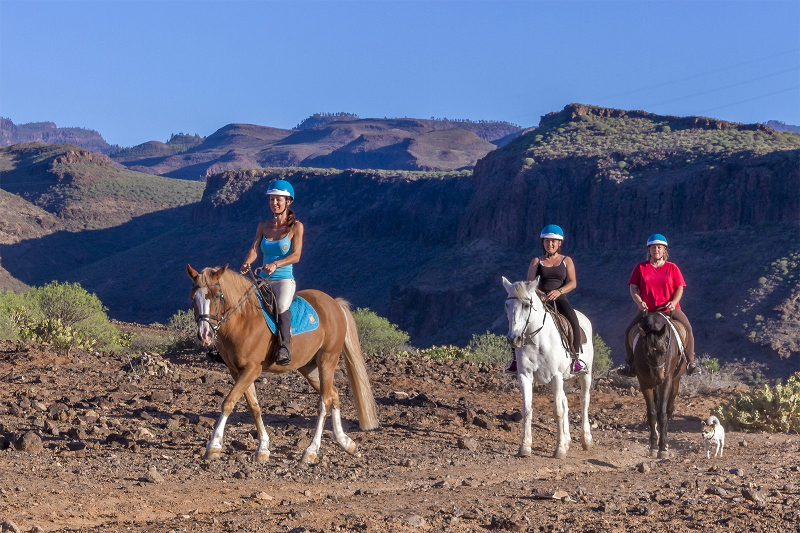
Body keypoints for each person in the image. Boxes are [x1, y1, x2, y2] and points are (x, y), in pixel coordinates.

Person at [239, 179, 304, 366]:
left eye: (278, 200)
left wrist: (276, 263)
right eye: (271, 200)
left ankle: (284, 347)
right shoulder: (263, 225)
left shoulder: (296, 227)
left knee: (282, 306)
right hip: (263, 279)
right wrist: (247, 262)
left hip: (283, 279)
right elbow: (254, 249)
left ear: (288, 201)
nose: (274, 203)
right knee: (243, 304)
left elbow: (296, 255)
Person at [507, 224, 586, 376]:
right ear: (543, 242)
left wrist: (559, 291)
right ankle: (515, 360)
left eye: (553, 241)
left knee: (573, 321)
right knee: (516, 317)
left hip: (559, 298)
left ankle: (575, 360)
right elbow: (529, 283)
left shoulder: (566, 260)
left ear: (559, 243)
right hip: (539, 299)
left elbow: (573, 282)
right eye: (547, 241)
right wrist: (540, 293)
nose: (550, 244)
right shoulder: (536, 261)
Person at [617, 234, 700, 377]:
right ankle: (629, 364)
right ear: (649, 249)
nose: (656, 250)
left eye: (659, 247)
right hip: (647, 310)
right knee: (628, 332)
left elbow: (680, 287)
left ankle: (691, 362)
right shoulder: (641, 267)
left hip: (669, 309)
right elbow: (633, 287)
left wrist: (674, 302)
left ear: (664, 250)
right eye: (654, 247)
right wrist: (639, 302)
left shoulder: (672, 268)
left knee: (688, 328)